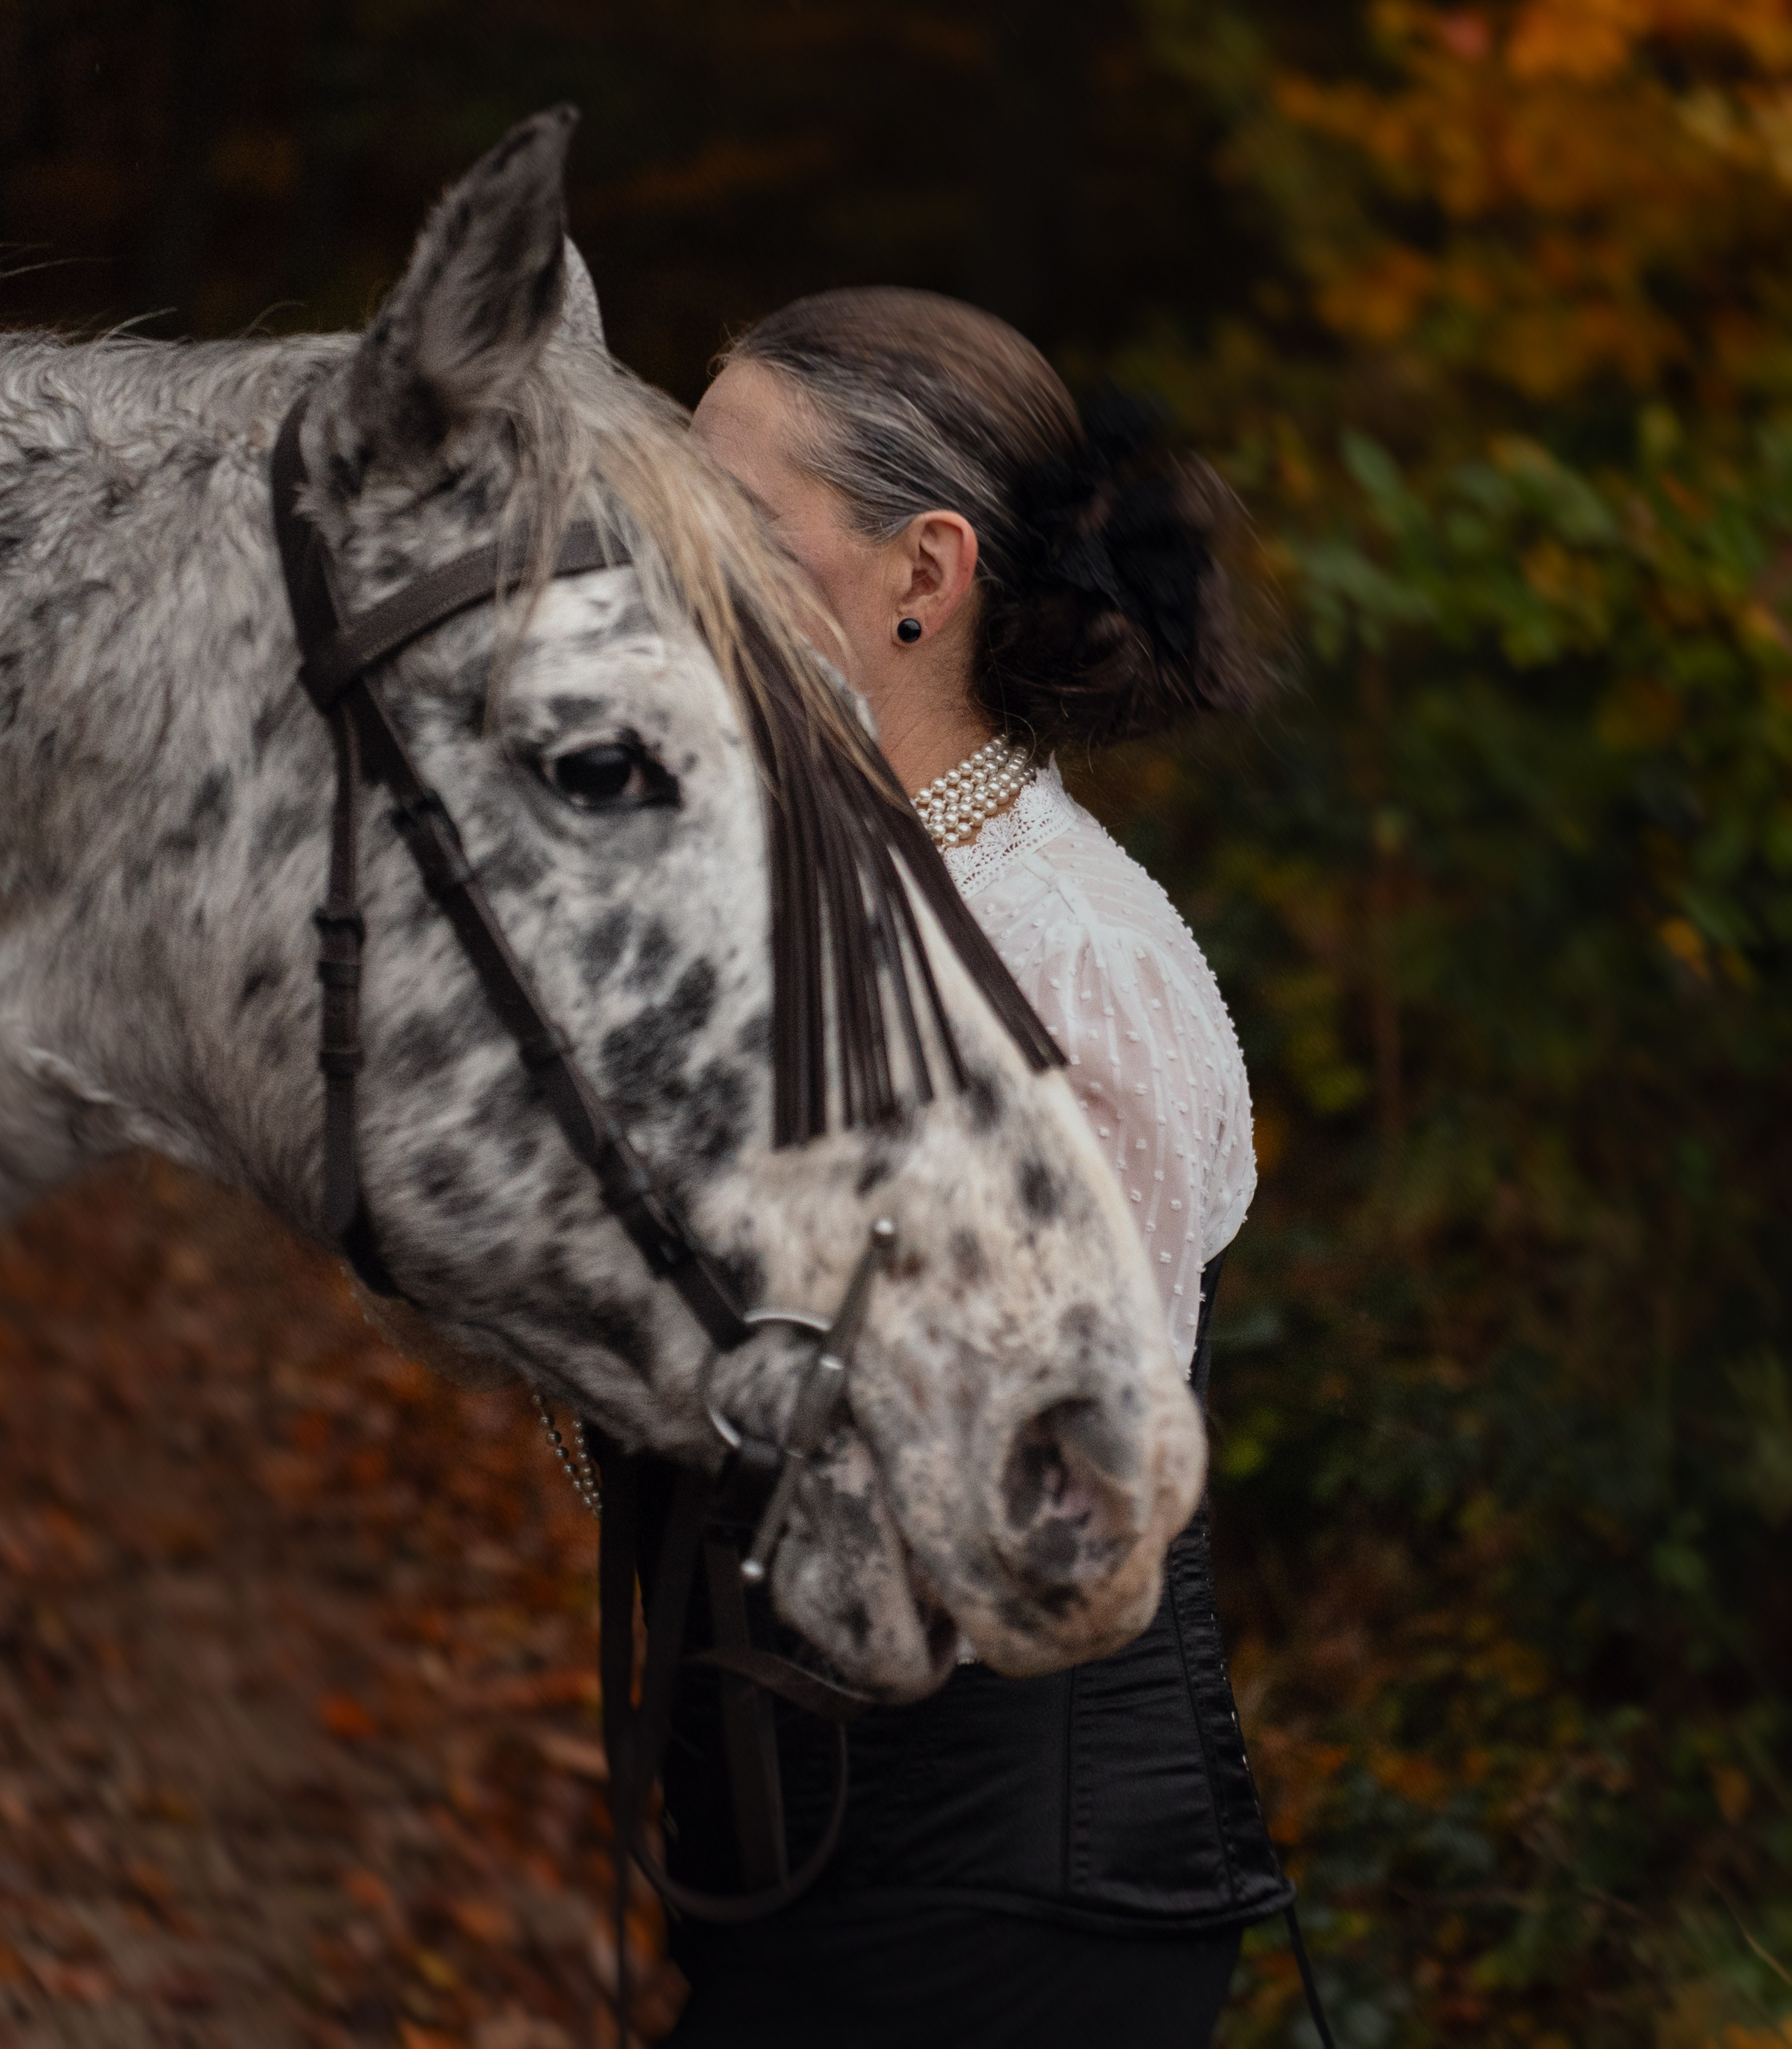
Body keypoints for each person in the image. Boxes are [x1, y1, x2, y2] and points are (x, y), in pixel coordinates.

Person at [635, 289, 1291, 2049]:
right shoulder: (809, 905)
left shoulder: (1068, 967)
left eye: (729, 532)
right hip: (797, 1867)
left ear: (920, 572)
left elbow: (1056, 1525)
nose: (659, 580)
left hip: (1012, 1901)